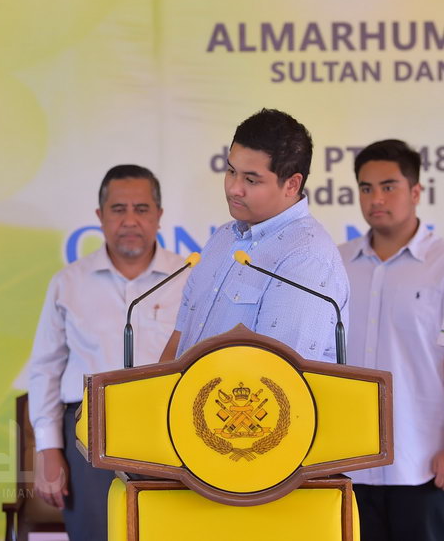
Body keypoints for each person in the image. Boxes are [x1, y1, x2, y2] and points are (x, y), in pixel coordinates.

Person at [27, 165, 187, 539]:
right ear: (100, 216)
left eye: (141, 209)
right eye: (118, 209)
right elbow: (45, 369)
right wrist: (49, 450)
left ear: (159, 215)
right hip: (89, 431)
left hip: (170, 431)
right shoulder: (69, 283)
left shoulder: (188, 279)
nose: (130, 220)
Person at [160, 108, 348, 363]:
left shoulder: (306, 259)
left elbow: (278, 374)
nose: (234, 188)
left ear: (291, 184)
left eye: (250, 180)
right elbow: (179, 340)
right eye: (231, 171)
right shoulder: (224, 237)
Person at [338, 139, 444, 541]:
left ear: (416, 191)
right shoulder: (336, 263)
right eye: (366, 188)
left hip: (421, 464)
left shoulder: (439, 264)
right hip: (347, 462)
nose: (376, 199)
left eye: (388, 186)